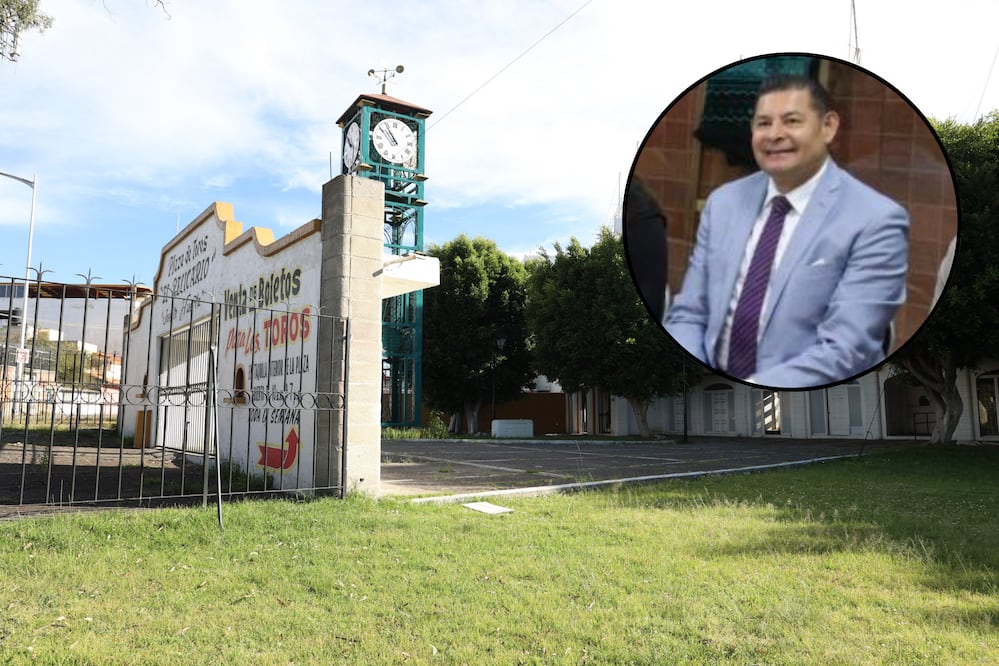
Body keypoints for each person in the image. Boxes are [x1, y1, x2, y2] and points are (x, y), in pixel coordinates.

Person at [665, 74, 909, 388]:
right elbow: (689, 314)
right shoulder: (722, 203)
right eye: (763, 123)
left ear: (828, 126)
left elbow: (845, 350)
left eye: (792, 121)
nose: (775, 135)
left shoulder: (875, 219)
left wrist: (748, 391)